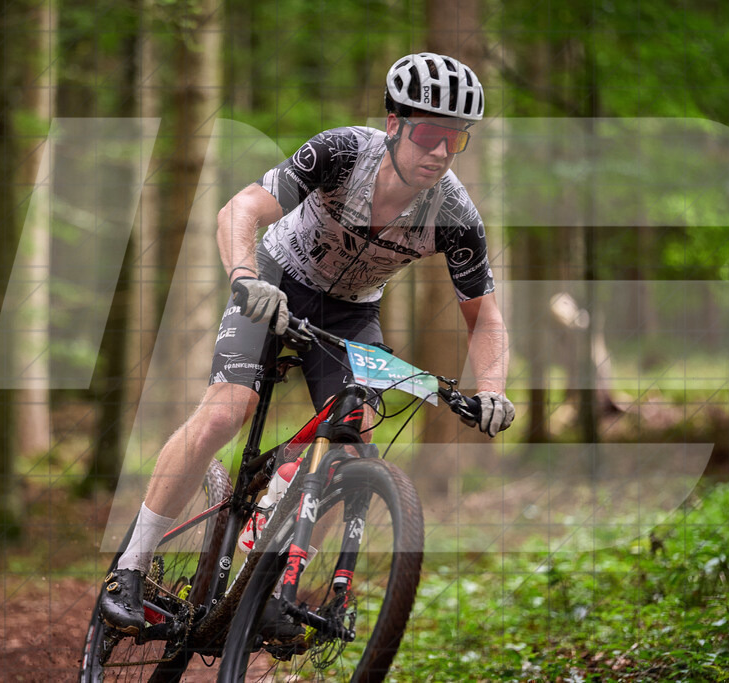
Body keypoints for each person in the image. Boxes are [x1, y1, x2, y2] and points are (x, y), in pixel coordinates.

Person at [100, 52, 515, 636]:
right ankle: (130, 566)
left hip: (351, 314)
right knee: (226, 412)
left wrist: (492, 389)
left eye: (457, 139)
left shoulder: (455, 214)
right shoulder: (342, 153)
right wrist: (245, 277)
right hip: (276, 279)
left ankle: (273, 586)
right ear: (394, 123)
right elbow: (241, 208)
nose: (442, 152)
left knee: (353, 442)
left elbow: (485, 316)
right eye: (429, 134)